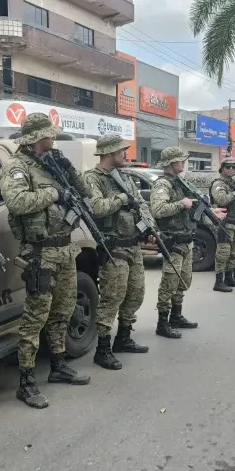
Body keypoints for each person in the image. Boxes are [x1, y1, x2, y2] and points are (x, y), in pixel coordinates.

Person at [0, 113, 91, 410]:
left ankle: (59, 365)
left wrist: (68, 171)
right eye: (49, 135)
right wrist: (53, 192)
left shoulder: (52, 164)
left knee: (63, 310)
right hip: (41, 252)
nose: (53, 139)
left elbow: (85, 193)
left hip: (65, 248)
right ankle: (26, 382)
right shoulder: (17, 167)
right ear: (36, 138)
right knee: (35, 318)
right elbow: (18, 202)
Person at [83, 135, 153, 370]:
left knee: (136, 293)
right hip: (113, 248)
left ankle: (123, 337)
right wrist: (122, 198)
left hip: (133, 245)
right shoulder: (92, 179)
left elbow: (142, 204)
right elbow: (97, 207)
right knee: (113, 296)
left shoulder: (124, 176)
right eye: (122, 150)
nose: (126, 154)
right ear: (110, 153)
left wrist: (151, 226)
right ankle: (103, 349)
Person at [150, 147, 226, 338]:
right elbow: (158, 209)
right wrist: (181, 204)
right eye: (180, 160)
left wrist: (209, 212)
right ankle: (162, 323)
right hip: (173, 242)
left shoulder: (179, 182)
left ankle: (176, 316)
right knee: (169, 283)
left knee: (182, 282)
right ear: (170, 163)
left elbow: (191, 209)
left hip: (186, 240)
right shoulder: (163, 184)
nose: (183, 163)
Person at [209, 157, 235, 291]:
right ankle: (219, 282)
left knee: (234, 253)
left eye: (233, 167)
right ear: (222, 168)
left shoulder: (234, 183)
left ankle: (229, 277)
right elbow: (221, 199)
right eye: (228, 167)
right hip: (225, 223)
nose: (231, 169)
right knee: (223, 253)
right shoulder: (219, 184)